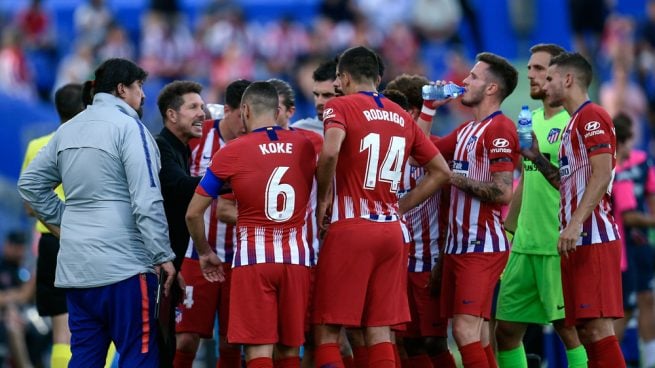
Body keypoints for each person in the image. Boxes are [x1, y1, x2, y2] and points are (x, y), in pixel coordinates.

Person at [17, 58, 176, 367]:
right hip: (125, 267)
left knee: (85, 357)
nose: (143, 95)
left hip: (77, 270)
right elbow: (146, 200)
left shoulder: (68, 129)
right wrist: (162, 254)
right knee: (138, 356)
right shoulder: (131, 128)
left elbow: (30, 184)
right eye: (139, 87)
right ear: (121, 89)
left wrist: (68, 222)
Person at [312, 45, 451, 368]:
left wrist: (323, 198)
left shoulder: (340, 107)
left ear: (343, 78)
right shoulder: (401, 115)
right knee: (378, 330)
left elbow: (330, 152)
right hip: (392, 231)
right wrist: (400, 206)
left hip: (352, 229)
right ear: (378, 77)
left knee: (328, 329)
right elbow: (441, 171)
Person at [186, 81, 317, 368]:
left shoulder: (233, 151)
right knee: (289, 351)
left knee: (258, 352)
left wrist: (205, 253)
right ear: (278, 110)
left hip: (253, 262)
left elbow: (194, 213)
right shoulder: (305, 145)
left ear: (244, 110)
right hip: (296, 260)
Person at [521, 51, 625, 366]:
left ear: (568, 79)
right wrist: (538, 158)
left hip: (592, 235)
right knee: (583, 328)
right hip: (577, 238)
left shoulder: (592, 116)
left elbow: (603, 172)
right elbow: (567, 184)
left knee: (596, 328)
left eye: (549, 78)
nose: (544, 84)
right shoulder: (573, 124)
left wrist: (576, 222)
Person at [494, 44, 588, 368]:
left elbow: (577, 183)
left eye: (538, 69)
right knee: (505, 331)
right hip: (524, 245)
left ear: (559, 77)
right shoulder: (529, 121)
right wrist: (509, 228)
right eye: (530, 68)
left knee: (569, 330)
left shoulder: (571, 123)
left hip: (555, 244)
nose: (530, 75)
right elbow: (527, 179)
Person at [434, 52, 519, 367]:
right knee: (479, 335)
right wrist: (427, 107)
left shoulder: (500, 129)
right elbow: (422, 151)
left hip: (481, 245)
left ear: (491, 89)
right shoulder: (467, 130)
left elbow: (501, 191)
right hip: (460, 246)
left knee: (464, 330)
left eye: (472, 77)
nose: (464, 81)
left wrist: (451, 176)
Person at [174, 79, 251, 368]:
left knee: (232, 341)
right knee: (186, 339)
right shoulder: (199, 138)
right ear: (227, 110)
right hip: (196, 254)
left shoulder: (257, 143)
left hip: (241, 258)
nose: (247, 122)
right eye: (242, 115)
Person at [384, 74, 457, 368]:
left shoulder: (433, 148)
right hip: (396, 260)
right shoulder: (382, 150)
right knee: (405, 340)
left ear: (413, 112)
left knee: (433, 340)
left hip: (429, 259)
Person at [20, 83, 84, 368]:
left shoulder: (38, 145)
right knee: (95, 321)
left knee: (62, 327)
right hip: (87, 240)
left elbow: (29, 205)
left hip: (50, 242)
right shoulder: (91, 145)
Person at [154, 80, 207, 367]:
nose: (203, 113)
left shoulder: (180, 149)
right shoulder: (161, 147)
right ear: (172, 115)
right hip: (151, 269)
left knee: (165, 346)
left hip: (167, 265)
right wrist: (226, 176)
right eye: (193, 107)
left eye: (202, 106)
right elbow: (178, 187)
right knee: (156, 349)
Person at [611, 112, 655, 368]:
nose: (629, 147)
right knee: (624, 310)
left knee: (643, 301)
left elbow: (648, 198)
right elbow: (628, 217)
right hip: (619, 251)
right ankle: (607, 360)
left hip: (634, 248)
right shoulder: (616, 172)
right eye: (625, 141)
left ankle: (648, 360)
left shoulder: (640, 164)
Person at [0, 230, 36, 368]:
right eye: (17, 246)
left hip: (25, 314)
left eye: (22, 247)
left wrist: (12, 296)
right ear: (8, 245)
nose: (20, 251)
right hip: (6, 316)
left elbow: (26, 296)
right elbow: (22, 295)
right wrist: (18, 295)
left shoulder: (22, 269)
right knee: (12, 322)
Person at [293, 59, 338, 135]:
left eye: (327, 95)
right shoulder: (300, 131)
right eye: (316, 95)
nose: (319, 102)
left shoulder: (362, 128)